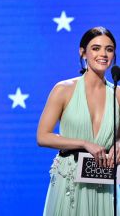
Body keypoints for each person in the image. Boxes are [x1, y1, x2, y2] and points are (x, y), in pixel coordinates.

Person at [37, 26, 120, 216]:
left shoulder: (118, 94)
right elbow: (42, 136)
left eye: (109, 49)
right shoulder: (64, 89)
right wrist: (83, 143)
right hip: (70, 180)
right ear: (83, 52)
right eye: (96, 48)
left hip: (103, 182)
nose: (103, 54)